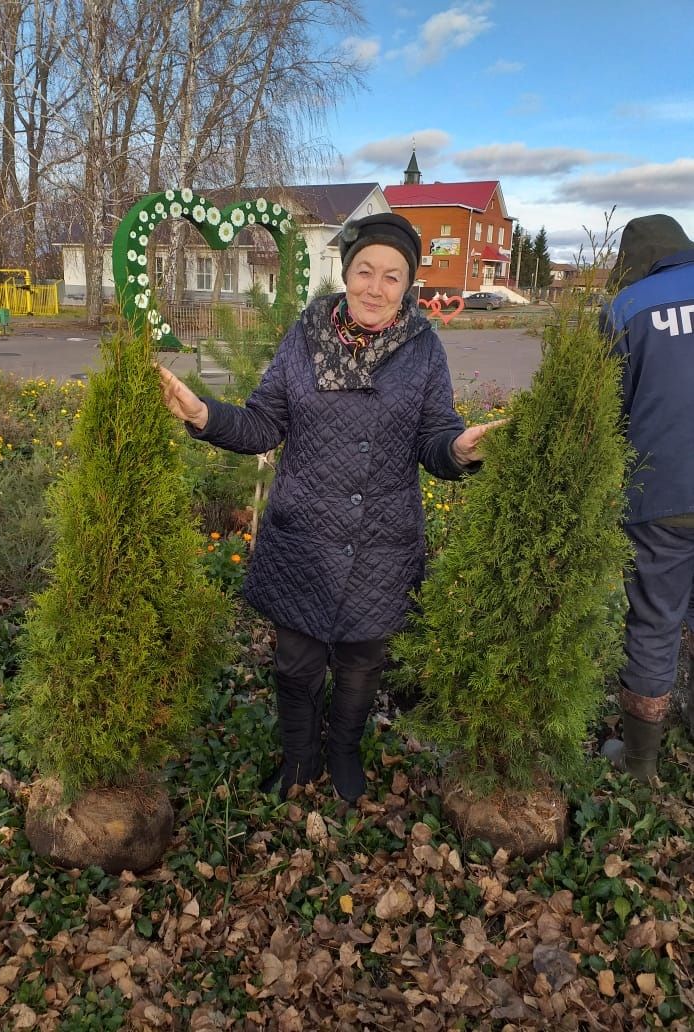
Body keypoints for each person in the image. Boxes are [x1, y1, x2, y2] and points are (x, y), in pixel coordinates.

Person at [159, 212, 501, 802]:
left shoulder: (423, 350)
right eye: (365, 270)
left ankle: (342, 752)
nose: (376, 286)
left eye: (392, 277)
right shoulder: (305, 336)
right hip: (305, 534)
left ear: (407, 285)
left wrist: (460, 449)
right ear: (345, 273)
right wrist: (203, 415)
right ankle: (298, 759)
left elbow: (434, 438)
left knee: (363, 663)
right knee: (296, 662)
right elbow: (264, 422)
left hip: (381, 540)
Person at [599, 214, 694, 781]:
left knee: (655, 623)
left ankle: (640, 767)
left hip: (662, 497)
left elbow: (606, 408)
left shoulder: (630, 307)